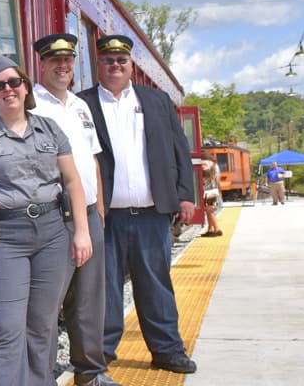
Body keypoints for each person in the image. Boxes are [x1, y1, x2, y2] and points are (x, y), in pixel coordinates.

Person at [0, 49, 93, 386]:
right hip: (4, 238)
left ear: (26, 87)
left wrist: (82, 232)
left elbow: (73, 181)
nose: (8, 89)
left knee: (43, 326)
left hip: (52, 233)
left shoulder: (50, 129)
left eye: (14, 82)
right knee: (6, 329)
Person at [76, 34, 198, 375]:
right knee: (104, 288)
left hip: (151, 215)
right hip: (104, 217)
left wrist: (185, 195)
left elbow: (179, 150)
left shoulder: (155, 101)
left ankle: (167, 350)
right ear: (97, 65)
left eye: (121, 61)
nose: (114, 66)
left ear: (130, 65)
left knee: (156, 284)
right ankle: (100, 355)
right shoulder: (81, 104)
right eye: (107, 60)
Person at [28, 34, 119, 386]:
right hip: (54, 212)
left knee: (89, 298)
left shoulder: (81, 106)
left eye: (68, 61)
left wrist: (99, 209)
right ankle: (42, 376)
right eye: (55, 61)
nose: (63, 66)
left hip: (89, 211)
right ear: (43, 64)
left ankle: (90, 372)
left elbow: (92, 157)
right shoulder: (32, 104)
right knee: (47, 302)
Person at [201, 159, 223, 237]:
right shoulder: (215, 165)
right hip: (213, 189)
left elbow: (204, 173)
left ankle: (217, 229)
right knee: (209, 210)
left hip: (208, 191)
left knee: (209, 210)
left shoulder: (204, 163)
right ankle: (210, 229)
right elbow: (217, 179)